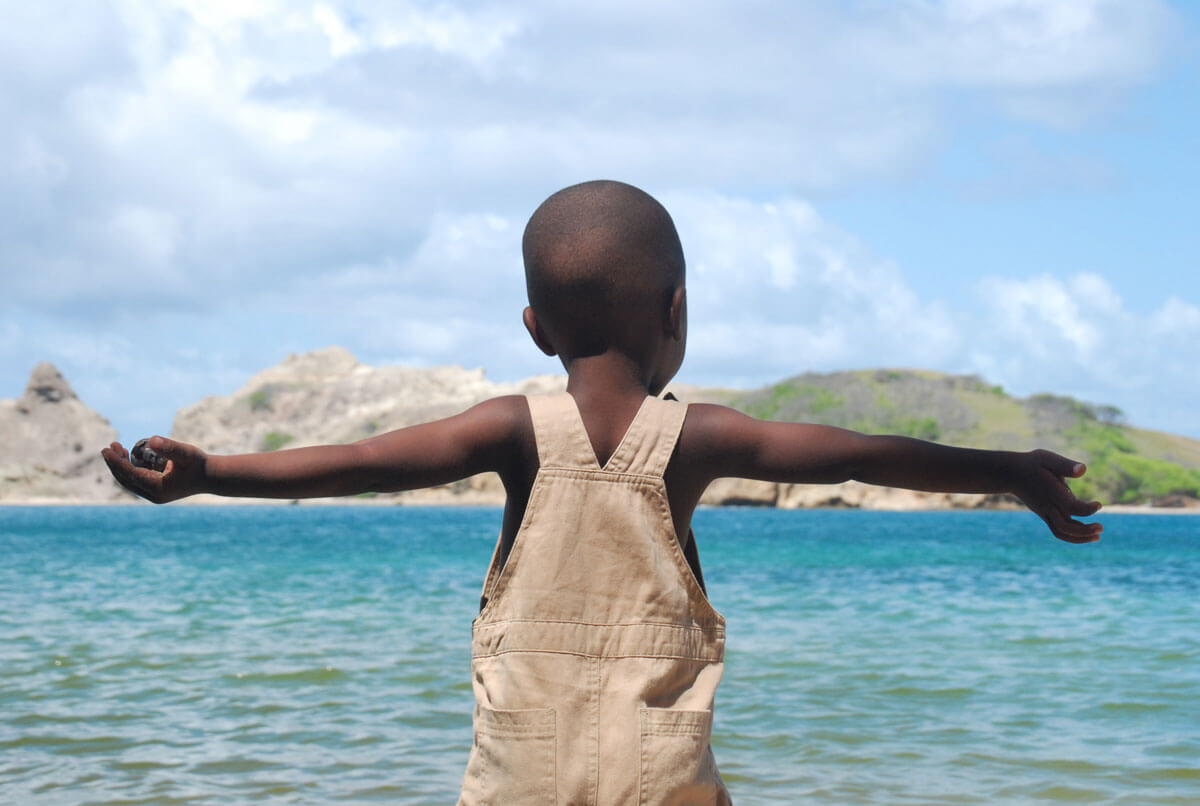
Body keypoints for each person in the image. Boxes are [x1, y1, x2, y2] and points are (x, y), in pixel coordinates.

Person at [102, 179, 1102, 805]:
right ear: (677, 309)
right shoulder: (697, 438)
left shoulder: (510, 429)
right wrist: (1005, 471)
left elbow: (362, 462)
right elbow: (853, 452)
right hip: (661, 786)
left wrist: (209, 476)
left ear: (536, 326)